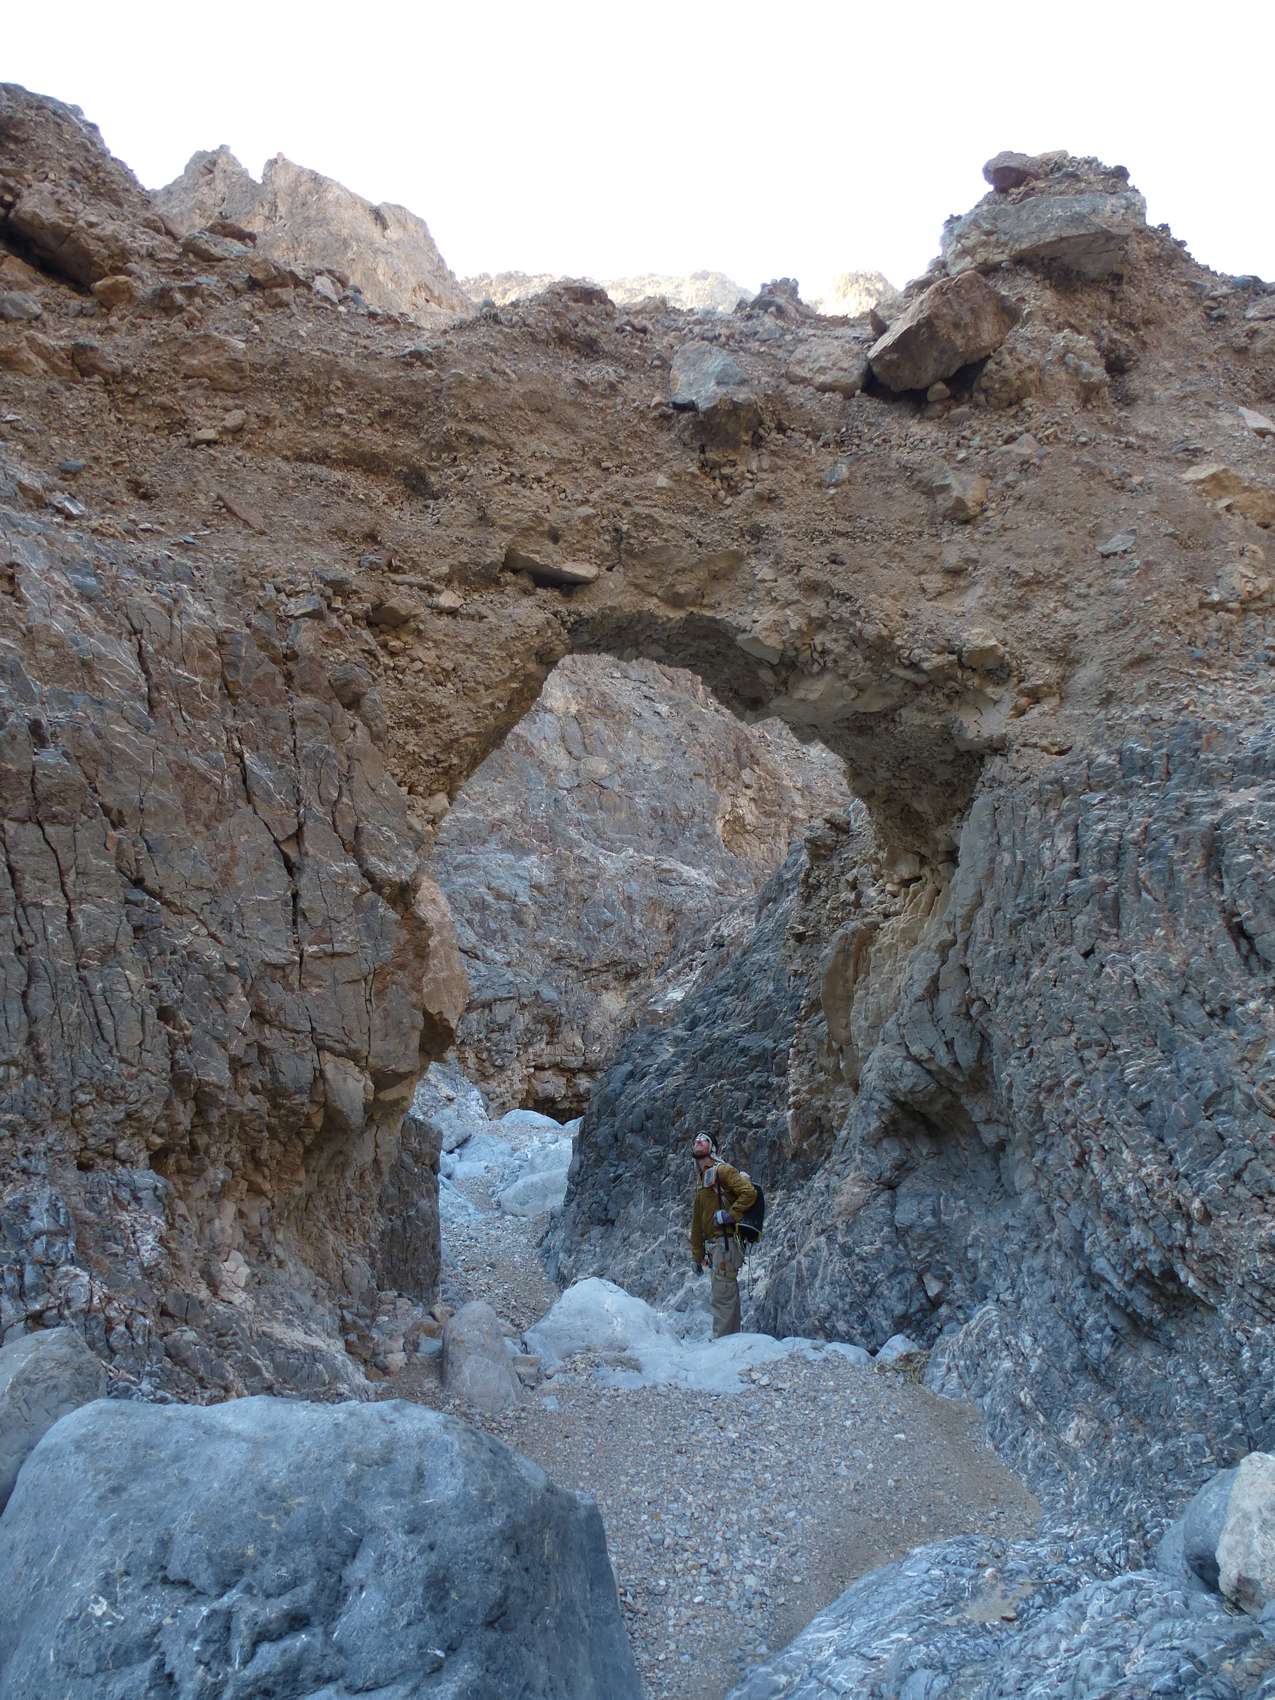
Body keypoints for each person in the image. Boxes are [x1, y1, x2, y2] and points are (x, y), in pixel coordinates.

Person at [689, 1133, 758, 1338]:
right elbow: (697, 1222)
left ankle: (724, 1343)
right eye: (696, 1139)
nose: (698, 1141)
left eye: (704, 1139)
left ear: (712, 1148)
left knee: (723, 1296)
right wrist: (697, 1255)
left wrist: (731, 1215)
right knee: (723, 1294)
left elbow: (749, 1192)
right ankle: (730, 1341)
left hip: (726, 1243)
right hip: (716, 1247)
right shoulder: (702, 1182)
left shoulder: (723, 1170)